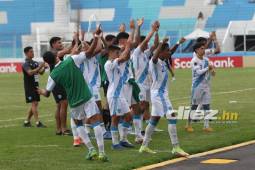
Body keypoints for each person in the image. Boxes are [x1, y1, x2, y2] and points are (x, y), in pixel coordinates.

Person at [38, 28, 108, 161]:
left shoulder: (52, 75)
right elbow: (90, 52)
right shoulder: (71, 60)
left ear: (48, 62)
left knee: (78, 123)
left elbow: (47, 93)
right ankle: (102, 152)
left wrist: (41, 91)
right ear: (56, 56)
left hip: (74, 101)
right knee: (95, 122)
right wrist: (96, 36)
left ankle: (91, 149)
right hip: (86, 96)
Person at [139, 37, 189, 157]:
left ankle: (144, 146)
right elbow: (155, 56)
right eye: (166, 51)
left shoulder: (163, 61)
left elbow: (170, 51)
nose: (169, 53)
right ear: (161, 51)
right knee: (172, 117)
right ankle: (176, 147)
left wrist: (177, 43)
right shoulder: (154, 61)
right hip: (159, 95)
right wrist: (161, 43)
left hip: (159, 94)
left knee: (154, 120)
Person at [105, 20, 135, 149]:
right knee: (115, 118)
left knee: (128, 116)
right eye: (116, 52)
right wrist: (128, 41)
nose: (118, 53)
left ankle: (123, 139)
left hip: (120, 95)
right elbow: (124, 56)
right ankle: (115, 143)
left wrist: (131, 33)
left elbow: (126, 56)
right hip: (114, 95)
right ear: (111, 53)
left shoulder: (117, 61)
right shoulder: (109, 64)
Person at [131, 20, 160, 143]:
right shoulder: (137, 53)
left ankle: (139, 131)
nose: (147, 46)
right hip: (139, 84)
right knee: (140, 107)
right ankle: (137, 133)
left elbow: (156, 45)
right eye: (145, 44)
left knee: (146, 106)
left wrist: (156, 32)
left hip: (147, 84)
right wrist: (151, 30)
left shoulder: (144, 54)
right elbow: (146, 42)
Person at [185, 42, 216, 132]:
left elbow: (210, 70)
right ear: (196, 50)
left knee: (207, 105)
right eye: (202, 48)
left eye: (204, 48)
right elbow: (198, 73)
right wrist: (208, 69)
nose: (203, 50)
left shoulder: (206, 60)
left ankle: (206, 126)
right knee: (194, 106)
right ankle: (188, 125)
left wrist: (212, 71)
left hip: (206, 86)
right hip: (197, 86)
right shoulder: (194, 61)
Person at [45, 37, 70, 135]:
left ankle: (59, 129)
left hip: (58, 82)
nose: (61, 44)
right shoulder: (53, 54)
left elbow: (68, 50)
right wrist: (75, 41)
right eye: (59, 43)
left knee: (59, 105)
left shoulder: (58, 53)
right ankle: (63, 129)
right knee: (63, 104)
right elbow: (68, 50)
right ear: (53, 45)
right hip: (58, 82)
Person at [22, 46, 46, 128]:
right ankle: (37, 122)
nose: (33, 53)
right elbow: (30, 73)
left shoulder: (35, 63)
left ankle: (26, 121)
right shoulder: (25, 64)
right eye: (31, 52)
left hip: (36, 85)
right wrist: (40, 66)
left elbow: (41, 72)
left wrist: (44, 68)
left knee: (35, 103)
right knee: (34, 103)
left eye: (33, 51)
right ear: (26, 53)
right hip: (29, 86)